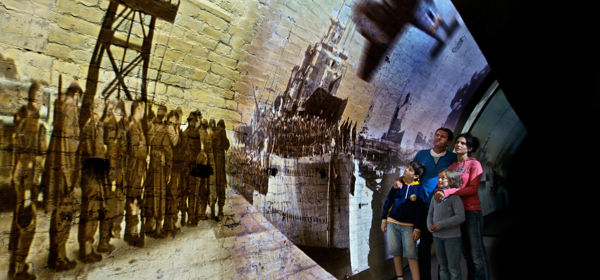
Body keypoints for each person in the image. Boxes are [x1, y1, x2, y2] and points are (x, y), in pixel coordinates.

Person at [394, 127, 456, 280]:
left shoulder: (453, 158)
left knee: (442, 246)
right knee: (423, 245)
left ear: (448, 142)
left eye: (442, 137)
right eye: (437, 135)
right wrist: (401, 182)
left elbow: (456, 181)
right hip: (422, 205)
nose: (438, 138)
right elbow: (411, 174)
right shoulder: (422, 155)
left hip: (443, 206)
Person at [434, 133, 490, 280]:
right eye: (457, 142)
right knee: (465, 251)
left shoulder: (474, 164)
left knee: (476, 253)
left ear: (470, 148)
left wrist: (449, 192)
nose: (458, 145)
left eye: (463, 143)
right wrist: (439, 192)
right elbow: (444, 184)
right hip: (454, 213)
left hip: (471, 212)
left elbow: (472, 189)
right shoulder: (453, 166)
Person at [8, 81, 45, 280]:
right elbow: (28, 154)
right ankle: (19, 269)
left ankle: (16, 266)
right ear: (36, 99)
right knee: (27, 223)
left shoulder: (25, 116)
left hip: (23, 177)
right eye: (40, 98)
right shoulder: (30, 119)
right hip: (26, 179)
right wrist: (28, 187)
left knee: (20, 221)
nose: (41, 103)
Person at [45, 82, 82, 271]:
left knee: (63, 215)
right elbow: (66, 149)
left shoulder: (65, 112)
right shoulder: (68, 112)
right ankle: (58, 257)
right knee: (63, 214)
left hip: (65, 172)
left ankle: (59, 254)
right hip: (64, 174)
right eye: (77, 99)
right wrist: (70, 178)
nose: (77, 104)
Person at [382, 161, 427, 280]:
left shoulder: (419, 189)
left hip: (408, 226)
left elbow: (420, 210)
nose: (406, 170)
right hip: (393, 223)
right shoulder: (398, 184)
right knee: (396, 253)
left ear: (416, 176)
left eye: (410, 170)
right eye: (407, 168)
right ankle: (400, 277)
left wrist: (417, 228)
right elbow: (389, 201)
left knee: (411, 255)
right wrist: (384, 219)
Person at [77, 99, 107, 263]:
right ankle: (85, 249)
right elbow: (88, 153)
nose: (100, 110)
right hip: (90, 175)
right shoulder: (90, 127)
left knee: (94, 211)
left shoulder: (98, 127)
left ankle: (89, 246)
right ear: (92, 109)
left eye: (102, 107)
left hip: (96, 174)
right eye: (97, 107)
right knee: (89, 211)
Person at [427, 169, 465, 280]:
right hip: (437, 237)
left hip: (452, 238)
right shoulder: (435, 197)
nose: (439, 180)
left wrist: (440, 224)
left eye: (443, 178)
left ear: (451, 180)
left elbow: (460, 217)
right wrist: (429, 225)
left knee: (453, 268)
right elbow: (430, 213)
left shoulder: (455, 198)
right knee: (443, 267)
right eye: (439, 177)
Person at [124, 100, 147, 247]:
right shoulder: (133, 128)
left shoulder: (137, 126)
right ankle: (131, 234)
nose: (143, 112)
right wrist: (145, 152)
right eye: (141, 109)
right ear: (136, 110)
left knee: (136, 201)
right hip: (133, 170)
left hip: (138, 170)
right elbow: (134, 150)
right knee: (132, 200)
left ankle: (133, 231)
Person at [211, 119, 230, 221]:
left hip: (213, 163)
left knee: (213, 187)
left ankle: (213, 211)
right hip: (220, 164)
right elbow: (227, 145)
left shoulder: (213, 131)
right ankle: (220, 211)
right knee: (221, 188)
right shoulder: (222, 131)